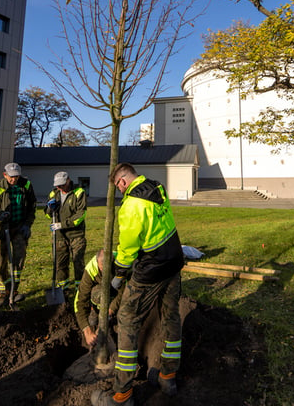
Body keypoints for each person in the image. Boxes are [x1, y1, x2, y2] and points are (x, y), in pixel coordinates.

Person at [91, 163, 185, 406]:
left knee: (128, 319)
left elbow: (128, 250)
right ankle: (167, 376)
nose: (120, 191)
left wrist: (116, 277)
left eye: (118, 187)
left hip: (151, 269)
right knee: (171, 317)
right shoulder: (157, 188)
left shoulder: (131, 205)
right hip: (173, 261)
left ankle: (122, 394)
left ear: (122, 182)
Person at [0, 162, 37, 308]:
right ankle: (3, 293)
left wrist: (27, 224)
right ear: (5, 175)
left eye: (17, 176)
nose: (14, 179)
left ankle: (14, 290)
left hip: (20, 228)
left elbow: (32, 205)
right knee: (1, 261)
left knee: (18, 260)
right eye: (11, 177)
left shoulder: (26, 185)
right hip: (2, 230)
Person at [44, 171, 88, 289]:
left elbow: (80, 215)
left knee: (78, 262)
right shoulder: (54, 194)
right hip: (59, 236)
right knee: (60, 264)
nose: (59, 187)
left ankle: (80, 289)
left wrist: (62, 225)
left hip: (76, 235)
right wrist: (49, 208)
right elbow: (48, 215)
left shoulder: (79, 193)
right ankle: (63, 290)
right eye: (57, 185)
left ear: (68, 180)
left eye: (62, 185)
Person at [74, 249, 123, 349]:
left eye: (107, 269)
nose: (104, 271)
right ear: (97, 263)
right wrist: (87, 331)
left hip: (116, 290)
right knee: (99, 294)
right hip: (99, 292)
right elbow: (80, 302)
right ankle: (95, 313)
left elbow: (123, 292)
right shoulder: (91, 270)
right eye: (101, 269)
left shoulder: (121, 263)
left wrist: (111, 309)